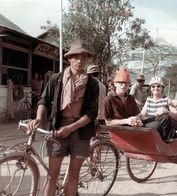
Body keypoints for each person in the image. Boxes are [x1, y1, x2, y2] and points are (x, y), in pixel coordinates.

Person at [27, 41, 99, 196]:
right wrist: (39, 118)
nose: (80, 60)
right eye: (76, 57)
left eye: (83, 57)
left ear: (87, 60)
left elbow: (92, 113)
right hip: (58, 127)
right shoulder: (56, 79)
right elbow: (44, 100)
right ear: (69, 59)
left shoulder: (92, 84)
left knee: (74, 173)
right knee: (52, 174)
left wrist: (70, 128)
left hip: (81, 129)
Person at [139, 76, 177, 141]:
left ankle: (166, 139)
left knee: (165, 117)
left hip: (162, 126)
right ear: (150, 88)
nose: (155, 88)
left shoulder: (167, 99)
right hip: (151, 123)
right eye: (153, 86)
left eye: (158, 86)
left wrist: (167, 111)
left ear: (162, 88)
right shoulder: (149, 100)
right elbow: (142, 114)